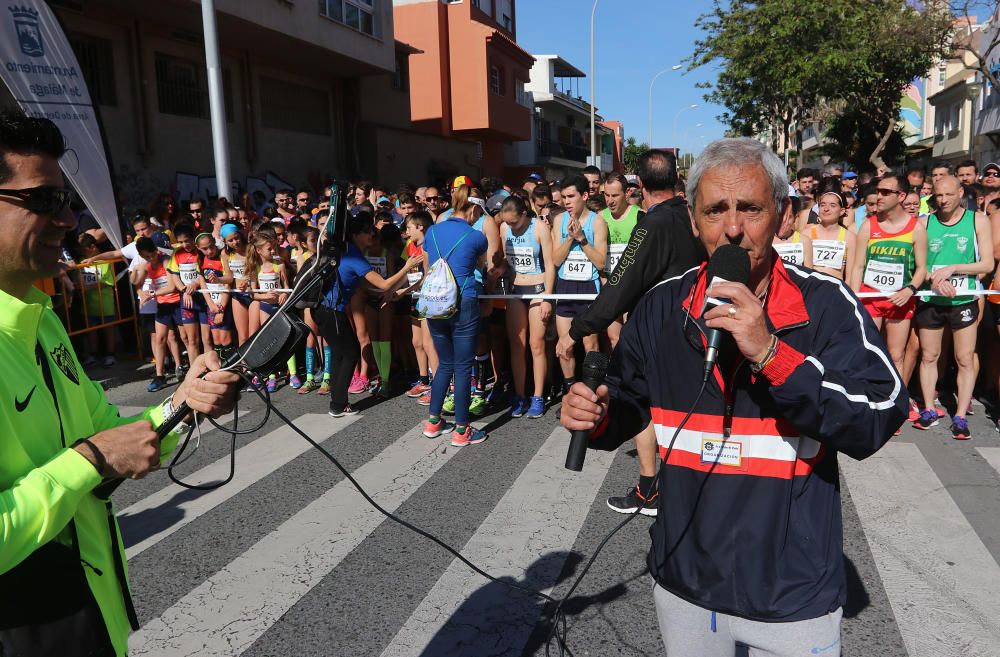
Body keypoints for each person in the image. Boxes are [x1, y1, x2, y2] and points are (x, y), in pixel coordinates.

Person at [561, 137, 906, 657]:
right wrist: (598, 415)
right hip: (686, 582)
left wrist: (771, 353)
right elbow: (627, 397)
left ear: (784, 214)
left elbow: (878, 415)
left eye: (751, 208)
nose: (733, 228)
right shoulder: (663, 304)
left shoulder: (828, 304)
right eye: (715, 211)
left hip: (791, 594)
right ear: (694, 221)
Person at [0, 110, 240, 657]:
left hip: (88, 616)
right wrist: (89, 459)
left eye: (66, 201)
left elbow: (107, 433)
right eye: (43, 200)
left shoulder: (40, 314)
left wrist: (184, 404)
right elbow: (95, 452)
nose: (66, 220)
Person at [558, 149, 704, 517]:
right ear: (676, 178)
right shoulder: (694, 216)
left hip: (657, 335)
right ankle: (683, 487)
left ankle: (650, 489)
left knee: (638, 404)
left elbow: (620, 284)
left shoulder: (651, 223)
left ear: (639, 183)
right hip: (697, 329)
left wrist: (576, 330)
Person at [314, 213, 419, 417]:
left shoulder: (349, 251)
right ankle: (338, 403)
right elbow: (384, 283)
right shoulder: (353, 255)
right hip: (330, 311)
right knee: (351, 352)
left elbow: (368, 285)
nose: (372, 233)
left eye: (372, 229)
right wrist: (407, 267)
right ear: (355, 235)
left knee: (340, 353)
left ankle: (337, 402)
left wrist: (390, 293)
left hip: (326, 309)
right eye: (367, 231)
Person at [914, 175, 994, 439]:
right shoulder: (925, 222)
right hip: (932, 299)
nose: (943, 200)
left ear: (961, 193)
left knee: (964, 357)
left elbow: (987, 265)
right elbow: (919, 266)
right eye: (938, 195)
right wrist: (935, 279)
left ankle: (959, 416)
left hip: (963, 299)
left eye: (949, 194)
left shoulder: (977, 220)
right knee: (929, 356)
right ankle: (928, 409)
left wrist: (954, 269)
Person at [421, 185, 490, 446]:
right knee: (463, 366)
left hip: (435, 302)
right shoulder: (475, 237)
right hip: (464, 301)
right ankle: (462, 430)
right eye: (478, 212)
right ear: (473, 208)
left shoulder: (432, 231)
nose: (478, 217)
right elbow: (481, 267)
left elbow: (428, 265)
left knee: (444, 363)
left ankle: (433, 421)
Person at [849, 174, 927, 388]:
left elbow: (922, 268)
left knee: (896, 355)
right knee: (869, 351)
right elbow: (857, 267)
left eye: (885, 192)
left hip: (899, 299)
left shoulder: (916, 229)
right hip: (870, 297)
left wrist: (910, 289)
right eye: (878, 191)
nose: (879, 196)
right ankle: (868, 399)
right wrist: (855, 297)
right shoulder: (868, 226)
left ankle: (896, 402)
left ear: (900, 195)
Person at [499, 195, 555, 419]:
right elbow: (505, 260)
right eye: (508, 222)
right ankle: (520, 395)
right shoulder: (504, 228)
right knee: (517, 344)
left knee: (536, 344)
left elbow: (550, 264)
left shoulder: (539, 228)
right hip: (515, 290)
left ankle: (538, 395)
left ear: (524, 214)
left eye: (515, 222)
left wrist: (548, 298)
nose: (511, 226)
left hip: (538, 290)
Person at [551, 175, 607, 393]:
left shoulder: (597, 221)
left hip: (588, 289)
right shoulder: (559, 221)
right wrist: (569, 238)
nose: (566, 201)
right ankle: (570, 391)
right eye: (564, 197)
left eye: (571, 196)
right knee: (564, 348)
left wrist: (583, 239)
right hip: (565, 287)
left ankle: (591, 391)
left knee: (590, 346)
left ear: (584, 196)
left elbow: (601, 262)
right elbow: (556, 260)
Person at [600, 172, 645, 350]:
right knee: (614, 338)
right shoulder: (600, 217)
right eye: (607, 195)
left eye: (615, 196)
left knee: (631, 337)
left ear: (626, 193)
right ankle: (618, 375)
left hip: (632, 287)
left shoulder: (639, 216)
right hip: (610, 285)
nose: (610, 201)